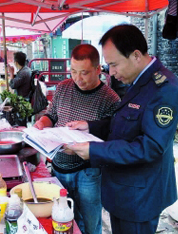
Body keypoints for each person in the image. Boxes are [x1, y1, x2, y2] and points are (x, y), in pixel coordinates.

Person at [65, 25, 178, 234]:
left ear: (136, 56)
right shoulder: (138, 81)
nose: (111, 72)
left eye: (114, 64)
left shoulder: (164, 88)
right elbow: (124, 123)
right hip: (123, 190)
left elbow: (151, 146)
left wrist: (94, 150)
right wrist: (90, 127)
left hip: (140, 196)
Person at [34, 44, 120, 234]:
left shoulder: (110, 98)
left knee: (90, 223)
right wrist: (43, 123)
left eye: (84, 73)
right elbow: (52, 115)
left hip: (88, 173)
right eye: (73, 71)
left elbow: (112, 137)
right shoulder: (63, 88)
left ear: (98, 70)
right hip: (58, 167)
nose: (77, 78)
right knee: (62, 220)